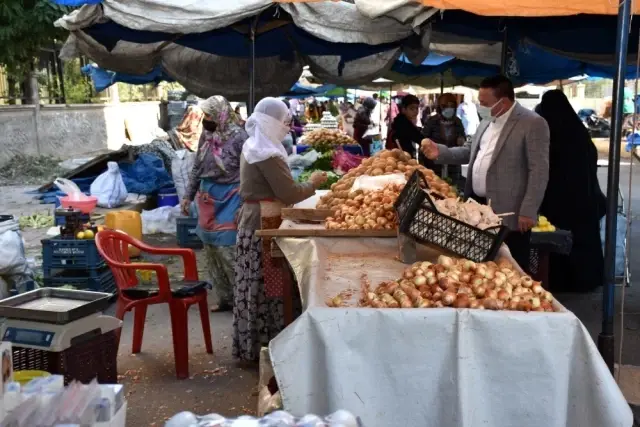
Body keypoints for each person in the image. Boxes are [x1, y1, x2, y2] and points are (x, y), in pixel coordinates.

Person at [421, 75, 550, 270]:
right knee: (481, 265)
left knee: (511, 267)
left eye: (484, 103)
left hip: (510, 211)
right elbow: (469, 151)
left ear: (503, 101)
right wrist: (441, 152)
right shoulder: (487, 121)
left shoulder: (532, 123)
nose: (480, 107)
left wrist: (528, 210)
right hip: (478, 208)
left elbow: (539, 170)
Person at [234, 97, 327, 362]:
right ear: (270, 123)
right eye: (284, 122)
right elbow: (288, 193)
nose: (288, 127)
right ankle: (271, 345)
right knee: (269, 283)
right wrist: (312, 182)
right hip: (263, 221)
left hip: (254, 218)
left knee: (259, 285)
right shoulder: (267, 154)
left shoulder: (254, 145)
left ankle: (256, 346)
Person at [535, 90, 606, 292]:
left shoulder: (552, 136)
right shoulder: (581, 134)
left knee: (560, 240)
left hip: (559, 201)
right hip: (586, 198)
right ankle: (586, 280)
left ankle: (562, 281)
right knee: (584, 240)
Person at [182, 96, 247, 312]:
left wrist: (244, 203)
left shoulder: (239, 137)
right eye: (205, 115)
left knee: (227, 248)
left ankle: (242, 301)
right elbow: (197, 167)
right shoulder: (207, 135)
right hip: (208, 196)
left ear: (222, 113)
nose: (206, 119)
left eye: (210, 115)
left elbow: (248, 170)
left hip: (232, 196)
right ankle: (224, 298)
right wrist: (187, 196)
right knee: (211, 250)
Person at [422, 93, 466, 183]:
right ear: (439, 107)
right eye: (445, 106)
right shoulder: (432, 121)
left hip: (453, 165)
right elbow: (423, 140)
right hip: (434, 164)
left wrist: (461, 140)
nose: (449, 109)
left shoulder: (458, 122)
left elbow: (463, 139)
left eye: (452, 106)